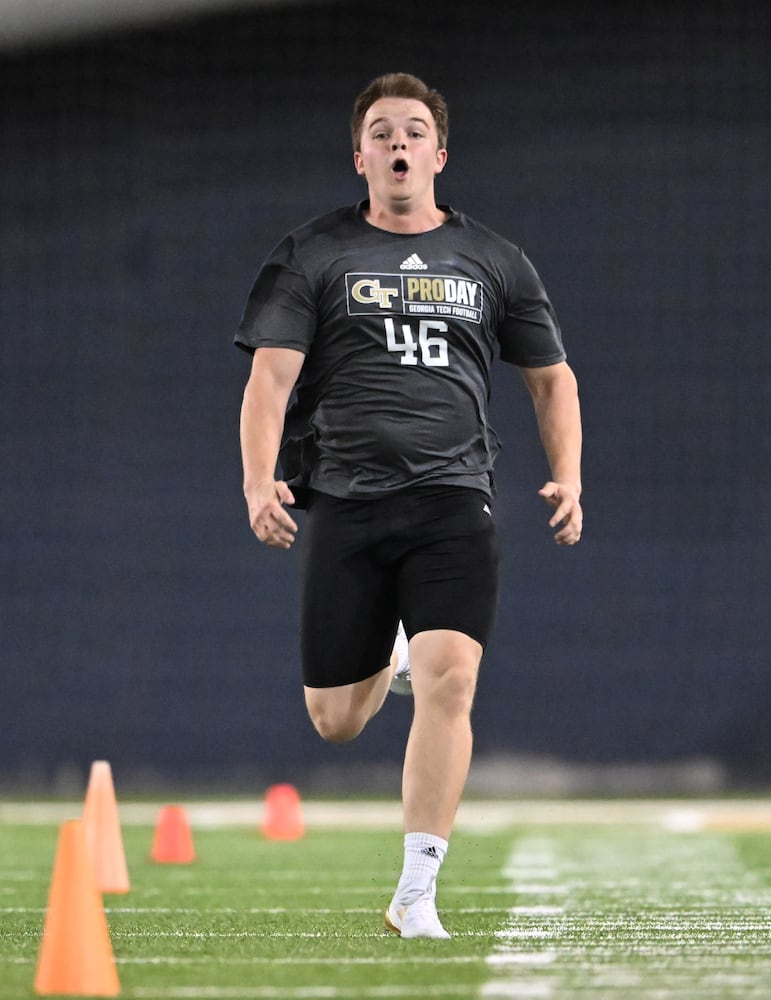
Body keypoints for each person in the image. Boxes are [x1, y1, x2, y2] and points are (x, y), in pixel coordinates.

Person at [235, 72, 583, 940]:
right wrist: (256, 479)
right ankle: (384, 657)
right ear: (360, 156)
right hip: (347, 501)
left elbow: (552, 379)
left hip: (455, 499)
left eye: (415, 130)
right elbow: (269, 381)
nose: (399, 144)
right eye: (383, 132)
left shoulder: (493, 260)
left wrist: (569, 474)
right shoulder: (312, 253)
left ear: (439, 153)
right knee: (336, 720)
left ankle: (417, 891)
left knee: (453, 680)